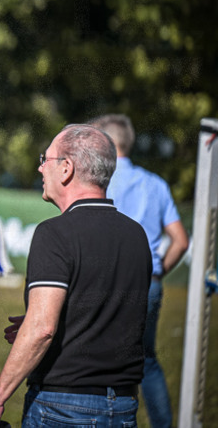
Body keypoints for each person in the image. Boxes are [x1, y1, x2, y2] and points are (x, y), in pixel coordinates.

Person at [0, 124, 152, 428]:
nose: (41, 168)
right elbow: (111, 318)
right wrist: (45, 326)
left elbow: (43, 329)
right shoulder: (137, 235)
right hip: (123, 408)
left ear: (66, 168)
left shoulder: (53, 234)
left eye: (46, 159)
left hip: (63, 409)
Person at [90, 114, 189, 428]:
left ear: (105, 143)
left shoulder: (96, 180)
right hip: (148, 284)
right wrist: (156, 272)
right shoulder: (156, 183)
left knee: (97, 360)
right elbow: (180, 241)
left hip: (105, 283)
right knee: (146, 362)